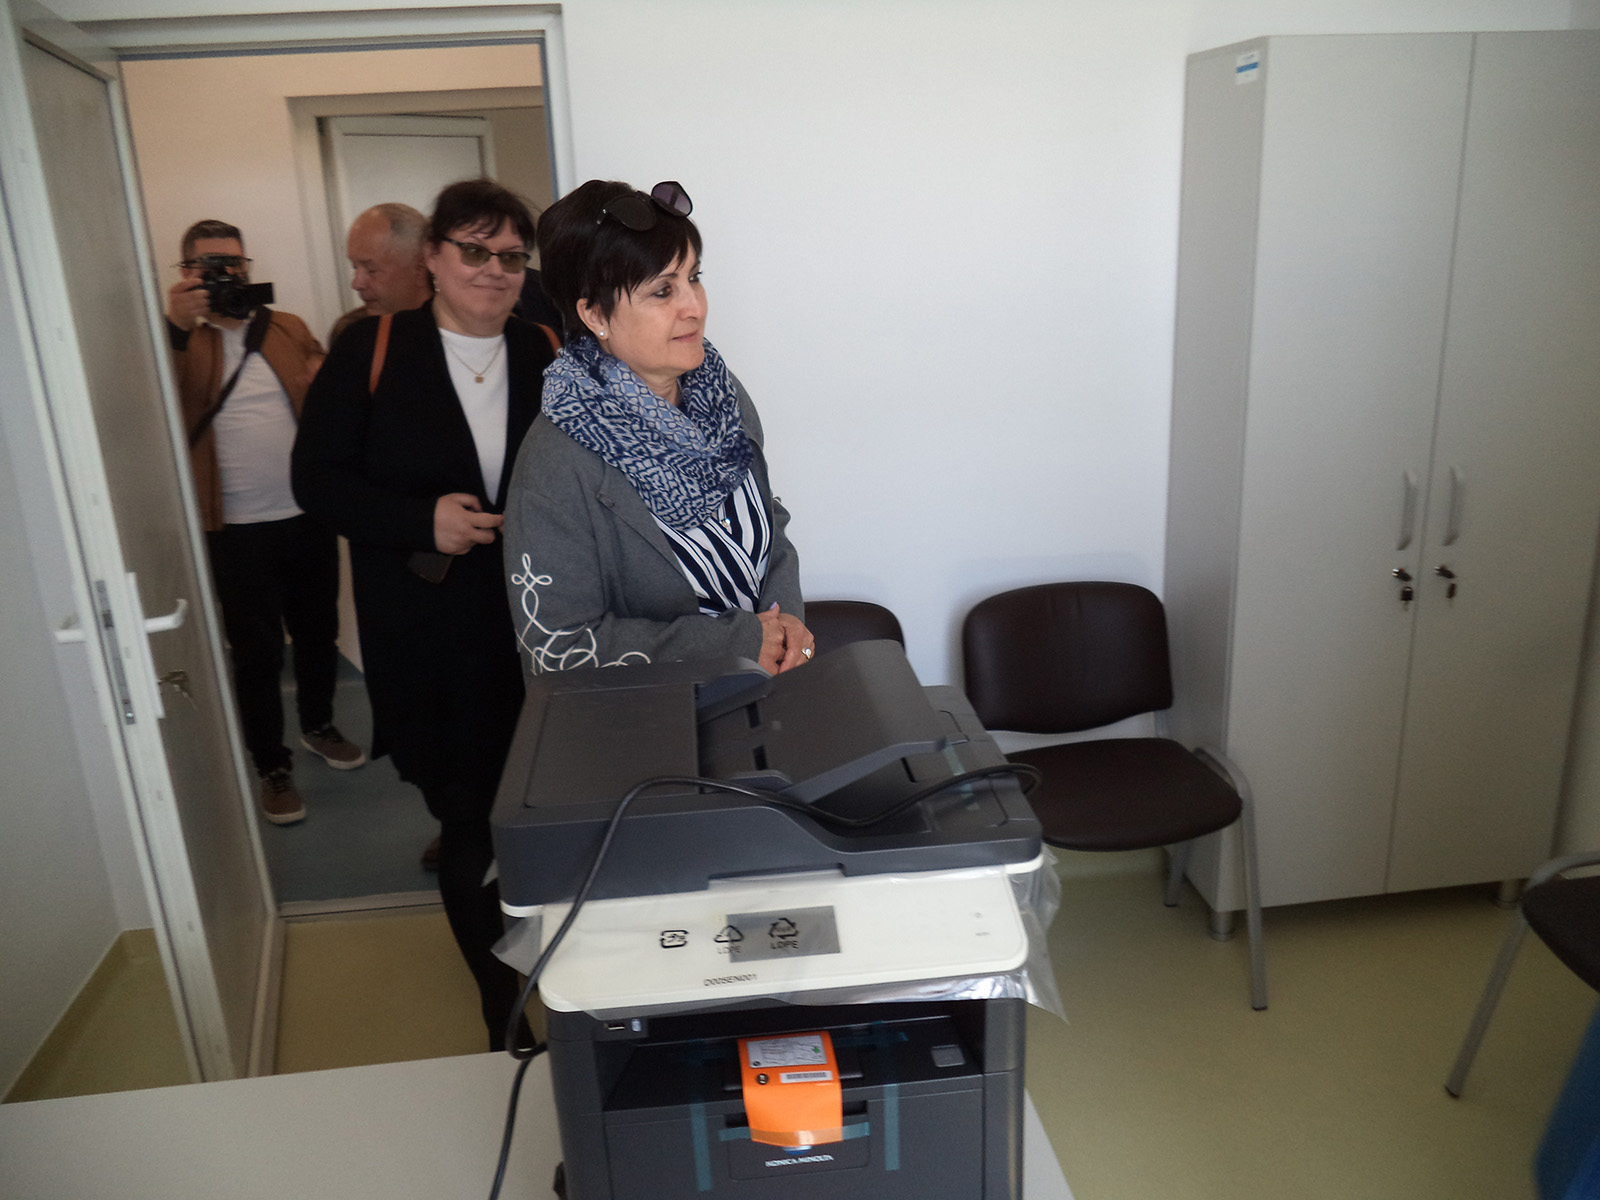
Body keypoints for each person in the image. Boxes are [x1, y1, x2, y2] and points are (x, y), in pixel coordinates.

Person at [291, 178, 557, 1050]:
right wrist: (421, 520)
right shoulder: (372, 351)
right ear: (435, 259)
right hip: (431, 636)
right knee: (469, 819)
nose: (493, 269)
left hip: (542, 630)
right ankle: (500, 1008)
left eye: (510, 255)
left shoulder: (547, 349)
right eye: (473, 250)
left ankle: (567, 981)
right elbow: (316, 481)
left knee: (549, 815)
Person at [503, 179, 813, 678]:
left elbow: (766, 518)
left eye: (694, 277)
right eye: (663, 290)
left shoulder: (721, 394)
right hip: (655, 720)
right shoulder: (556, 462)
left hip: (764, 695)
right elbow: (556, 647)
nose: (694, 306)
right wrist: (736, 643)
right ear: (594, 314)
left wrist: (786, 620)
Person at [167, 220, 364, 827]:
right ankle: (270, 765)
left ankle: (318, 724)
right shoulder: (177, 339)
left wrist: (325, 374)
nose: (225, 274)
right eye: (209, 265)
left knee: (318, 632)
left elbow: (330, 392)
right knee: (255, 653)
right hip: (232, 526)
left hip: (306, 512)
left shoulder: (287, 327)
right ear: (187, 273)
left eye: (234, 263)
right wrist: (173, 330)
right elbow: (157, 404)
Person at [327, 203, 434, 348]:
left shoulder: (456, 329)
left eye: (371, 270)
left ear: (419, 269)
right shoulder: (351, 335)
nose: (356, 284)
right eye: (355, 268)